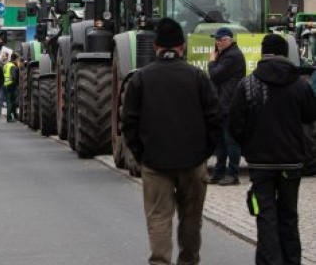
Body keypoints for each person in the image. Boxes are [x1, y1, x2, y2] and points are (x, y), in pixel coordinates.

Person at [122, 17, 219, 265]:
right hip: (193, 162)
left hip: (155, 163)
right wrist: (205, 152)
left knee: (158, 219)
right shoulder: (198, 77)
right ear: (182, 47)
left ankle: (160, 262)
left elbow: (129, 123)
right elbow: (215, 119)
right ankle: (188, 261)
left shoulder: (140, 79)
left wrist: (142, 154)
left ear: (156, 47)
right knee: (191, 220)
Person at [229, 34, 316, 265]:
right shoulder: (300, 85)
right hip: (292, 163)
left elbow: (234, 124)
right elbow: (310, 116)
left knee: (265, 215)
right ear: (286, 54)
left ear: (262, 53)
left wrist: (248, 147)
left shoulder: (247, 84)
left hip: (260, 164)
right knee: (289, 215)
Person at [207, 27, 245, 186]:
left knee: (231, 141)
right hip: (223, 103)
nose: (217, 42)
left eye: (220, 40)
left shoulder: (232, 56)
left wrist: (211, 60)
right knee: (221, 142)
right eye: (216, 40)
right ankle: (218, 173)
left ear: (228, 40)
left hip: (229, 104)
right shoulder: (227, 55)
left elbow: (215, 75)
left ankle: (233, 174)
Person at [3, 53, 20, 123]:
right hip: (11, 85)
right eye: (17, 59)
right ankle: (9, 117)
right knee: (11, 102)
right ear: (15, 59)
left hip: (5, 84)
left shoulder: (6, 65)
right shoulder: (12, 66)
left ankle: (14, 115)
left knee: (10, 101)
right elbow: (14, 77)